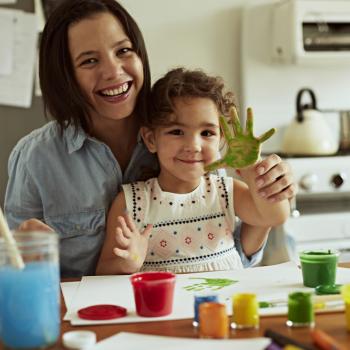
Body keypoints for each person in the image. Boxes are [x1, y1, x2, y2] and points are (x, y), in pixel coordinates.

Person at [4, 0, 295, 278]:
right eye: (90, 60)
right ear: (66, 76)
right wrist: (25, 257)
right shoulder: (36, 158)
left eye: (123, 51)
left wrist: (265, 182)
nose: (114, 72)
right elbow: (16, 273)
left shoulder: (191, 143)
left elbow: (237, 249)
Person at [96, 68, 291, 275]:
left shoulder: (226, 192)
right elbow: (103, 272)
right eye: (177, 132)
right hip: (169, 308)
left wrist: (253, 168)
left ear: (221, 139)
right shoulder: (130, 203)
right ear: (151, 139)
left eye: (207, 133)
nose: (193, 146)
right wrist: (129, 262)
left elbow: (274, 216)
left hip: (224, 304)